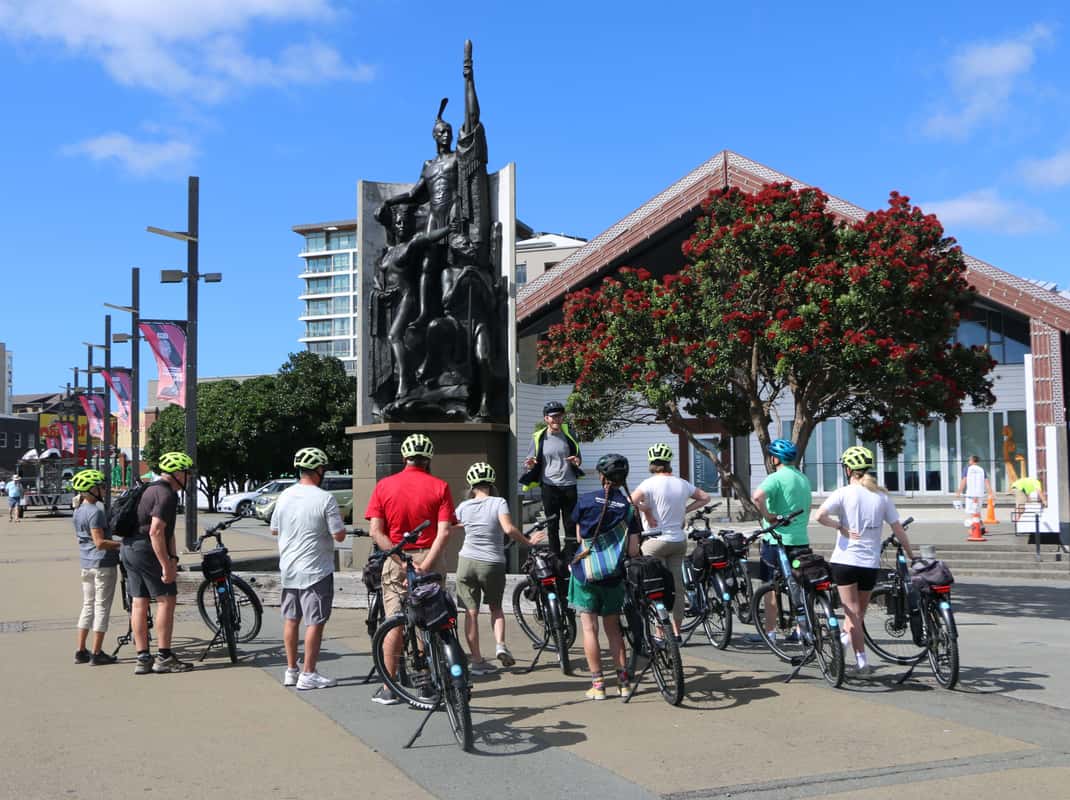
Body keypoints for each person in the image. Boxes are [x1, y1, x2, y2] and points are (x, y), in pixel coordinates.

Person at [365, 433, 457, 705]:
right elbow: (444, 533)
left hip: (396, 560)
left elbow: (376, 532)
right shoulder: (440, 486)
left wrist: (402, 560)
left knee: (394, 620)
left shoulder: (384, 486)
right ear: (428, 458)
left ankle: (388, 687)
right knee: (428, 619)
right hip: (431, 559)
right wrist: (425, 564)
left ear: (404, 457)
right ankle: (426, 683)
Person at [816, 446, 915, 675]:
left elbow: (819, 515)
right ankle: (860, 662)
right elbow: (898, 528)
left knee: (852, 613)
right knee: (858, 615)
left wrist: (840, 527)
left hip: (845, 561)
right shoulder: (882, 496)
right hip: (869, 563)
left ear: (849, 469)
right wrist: (911, 554)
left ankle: (843, 646)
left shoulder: (843, 492)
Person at [454, 462, 546, 674]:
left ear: (471, 484)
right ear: (491, 483)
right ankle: (500, 646)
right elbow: (508, 528)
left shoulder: (463, 507)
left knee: (471, 613)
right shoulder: (498, 502)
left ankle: (477, 661)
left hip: (466, 561)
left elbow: (450, 525)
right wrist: (528, 541)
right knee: (495, 608)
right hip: (492, 562)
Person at [271, 447, 347, 690]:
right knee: (315, 622)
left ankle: (291, 670)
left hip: (289, 569)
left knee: (291, 619)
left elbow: (274, 529)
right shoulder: (325, 498)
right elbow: (340, 535)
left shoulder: (283, 496)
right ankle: (309, 673)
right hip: (316, 570)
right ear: (318, 470)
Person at [569, 453, 642, 701]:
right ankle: (623, 683)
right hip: (613, 576)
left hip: (585, 573)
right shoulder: (630, 509)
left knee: (589, 629)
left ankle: (598, 685)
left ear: (602, 476)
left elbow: (580, 538)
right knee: (613, 630)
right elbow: (633, 550)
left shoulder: (586, 500)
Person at [122, 450, 194, 675]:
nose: (189, 478)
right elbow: (156, 531)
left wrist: (173, 558)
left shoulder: (149, 489)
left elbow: (168, 533)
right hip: (147, 549)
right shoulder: (166, 495)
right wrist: (165, 564)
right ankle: (164, 656)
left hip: (129, 548)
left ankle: (142, 657)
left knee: (139, 602)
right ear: (176, 473)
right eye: (187, 473)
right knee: (166, 600)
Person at [630, 443, 710, 636]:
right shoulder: (681, 483)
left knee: (655, 585)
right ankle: (676, 631)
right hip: (677, 541)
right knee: (677, 587)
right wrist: (685, 510)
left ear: (651, 463)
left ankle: (659, 632)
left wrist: (647, 510)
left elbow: (629, 501)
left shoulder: (647, 484)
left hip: (654, 541)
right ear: (668, 463)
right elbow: (705, 497)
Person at [747, 439, 812, 644]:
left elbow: (756, 497)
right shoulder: (803, 479)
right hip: (801, 540)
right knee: (800, 584)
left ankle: (770, 633)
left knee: (770, 586)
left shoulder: (775, 478)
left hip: (777, 541)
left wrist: (769, 515)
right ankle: (802, 631)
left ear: (775, 458)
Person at [521, 400, 584, 556]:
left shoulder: (569, 433)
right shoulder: (539, 437)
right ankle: (555, 556)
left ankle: (570, 556)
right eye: (553, 416)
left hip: (569, 485)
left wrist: (576, 461)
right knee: (552, 524)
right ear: (546, 419)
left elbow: (578, 457)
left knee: (570, 523)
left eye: (560, 416)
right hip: (549, 486)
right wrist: (529, 464)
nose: (557, 419)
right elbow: (529, 462)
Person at [71, 469, 121, 665]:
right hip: (103, 564)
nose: (102, 489)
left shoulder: (78, 511)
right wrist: (121, 544)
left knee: (88, 605)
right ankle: (97, 652)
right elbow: (99, 542)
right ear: (90, 490)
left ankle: (81, 650)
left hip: (86, 563)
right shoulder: (95, 511)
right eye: (100, 486)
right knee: (101, 607)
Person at [956, 455, 993, 520]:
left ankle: (974, 527)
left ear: (972, 461)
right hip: (980, 494)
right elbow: (987, 482)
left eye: (969, 460)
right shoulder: (982, 469)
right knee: (977, 511)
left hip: (971, 494)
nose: (968, 461)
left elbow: (964, 480)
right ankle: (981, 526)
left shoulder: (967, 468)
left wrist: (959, 492)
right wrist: (990, 493)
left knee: (971, 511)